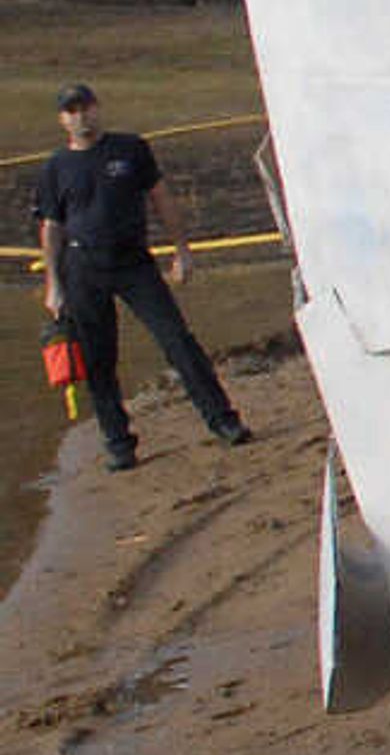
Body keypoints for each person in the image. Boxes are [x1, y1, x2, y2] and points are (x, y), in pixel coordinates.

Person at [31, 83, 254, 474]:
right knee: (99, 360)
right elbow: (51, 226)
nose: (80, 116)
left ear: (97, 109)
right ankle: (119, 444)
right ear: (62, 119)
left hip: (134, 262)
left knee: (178, 341)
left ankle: (224, 420)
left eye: (85, 107)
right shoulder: (55, 167)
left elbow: (162, 198)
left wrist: (181, 250)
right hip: (82, 267)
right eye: (71, 110)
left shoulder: (130, 149)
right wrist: (54, 284)